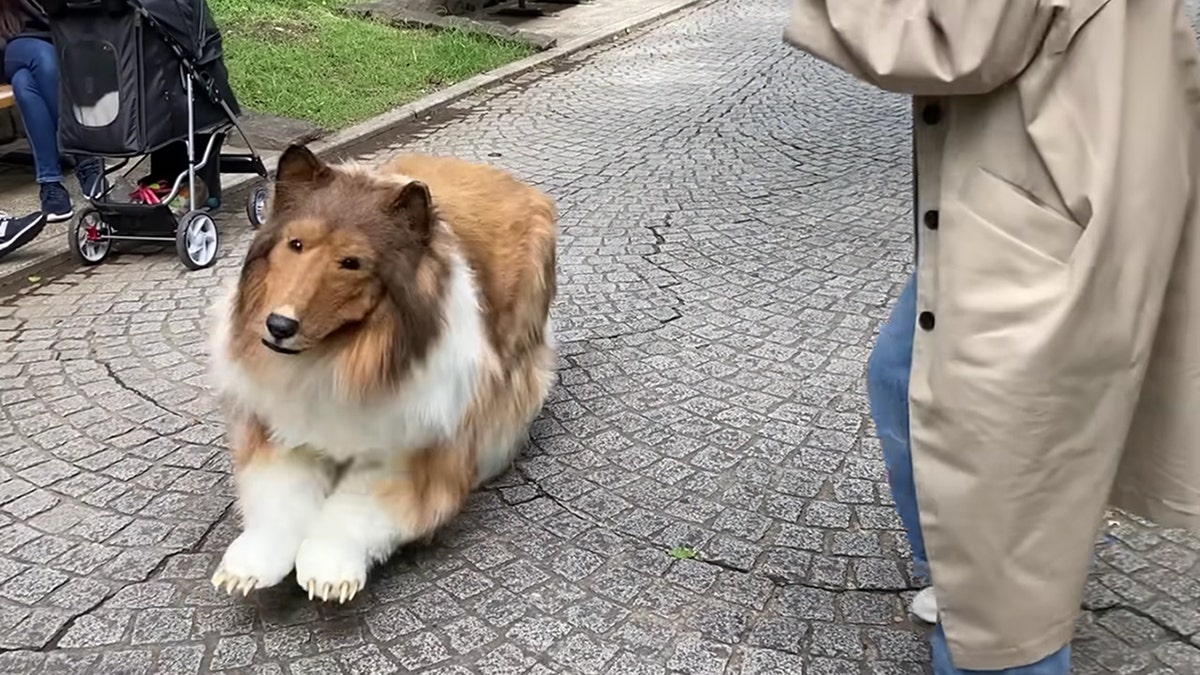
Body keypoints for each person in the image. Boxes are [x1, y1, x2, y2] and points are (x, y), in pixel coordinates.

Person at [784, 2, 1200, 674]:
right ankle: (976, 580)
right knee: (901, 376)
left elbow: (956, 39)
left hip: (1053, 197)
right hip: (1080, 155)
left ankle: (994, 613)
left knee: (999, 477)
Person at [0, 0, 103, 228]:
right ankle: (85, 156)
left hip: (61, 37)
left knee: (24, 83)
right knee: (45, 61)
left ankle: (50, 182)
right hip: (11, 41)